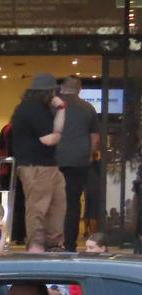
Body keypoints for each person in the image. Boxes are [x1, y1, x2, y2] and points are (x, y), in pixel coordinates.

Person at [9, 72, 66, 252]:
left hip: (48, 165)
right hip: (35, 166)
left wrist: (62, 109)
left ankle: (53, 243)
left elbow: (55, 132)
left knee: (57, 205)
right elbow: (50, 138)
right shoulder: (32, 108)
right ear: (48, 92)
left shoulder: (39, 108)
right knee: (38, 207)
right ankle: (36, 246)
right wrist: (58, 131)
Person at [56, 76, 99, 252]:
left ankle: (49, 242)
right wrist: (89, 154)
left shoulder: (53, 106)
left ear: (62, 88)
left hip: (54, 160)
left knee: (52, 202)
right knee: (73, 203)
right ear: (79, 89)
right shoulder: (88, 108)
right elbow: (94, 137)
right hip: (79, 161)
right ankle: (70, 245)